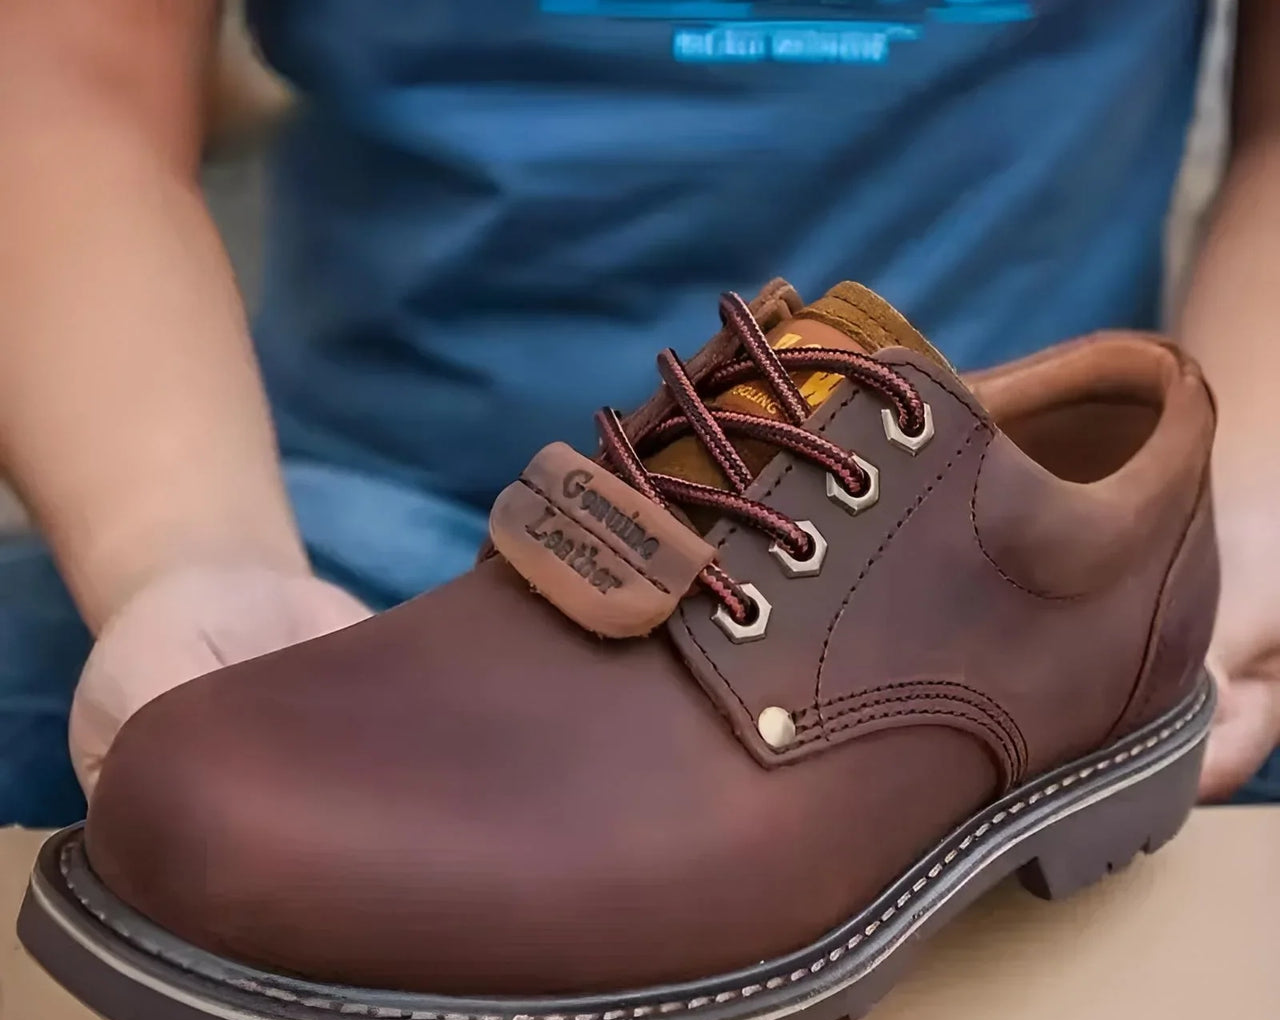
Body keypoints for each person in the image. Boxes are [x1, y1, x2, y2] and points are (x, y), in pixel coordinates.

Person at [0, 0, 1276, 829]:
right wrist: (187, 553)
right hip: (347, 539)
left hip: (1006, 565)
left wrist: (1227, 535)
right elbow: (63, 79)